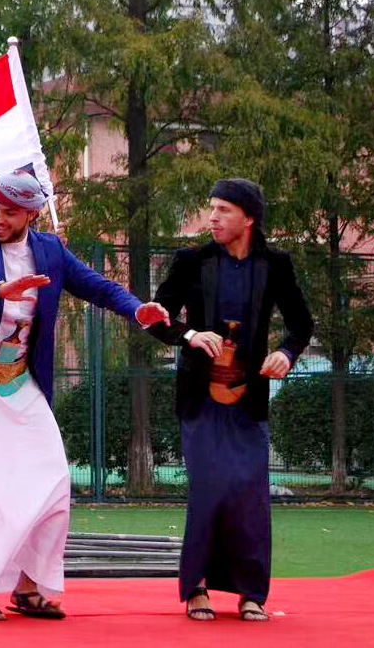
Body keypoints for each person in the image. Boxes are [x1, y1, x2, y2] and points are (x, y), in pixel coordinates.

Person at [0, 170, 171, 621]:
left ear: (32, 215)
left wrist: (138, 309)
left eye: (10, 212)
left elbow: (98, 287)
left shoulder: (51, 251)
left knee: (55, 483)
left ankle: (28, 587)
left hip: (22, 381)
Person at [147, 178, 313, 622]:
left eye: (223, 209)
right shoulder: (192, 260)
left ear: (249, 217)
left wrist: (286, 353)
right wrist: (188, 334)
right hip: (200, 400)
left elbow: (301, 323)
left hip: (249, 400)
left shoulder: (276, 264)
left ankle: (251, 593)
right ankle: (197, 587)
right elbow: (156, 318)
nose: (213, 218)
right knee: (210, 489)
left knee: (250, 494)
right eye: (212, 208)